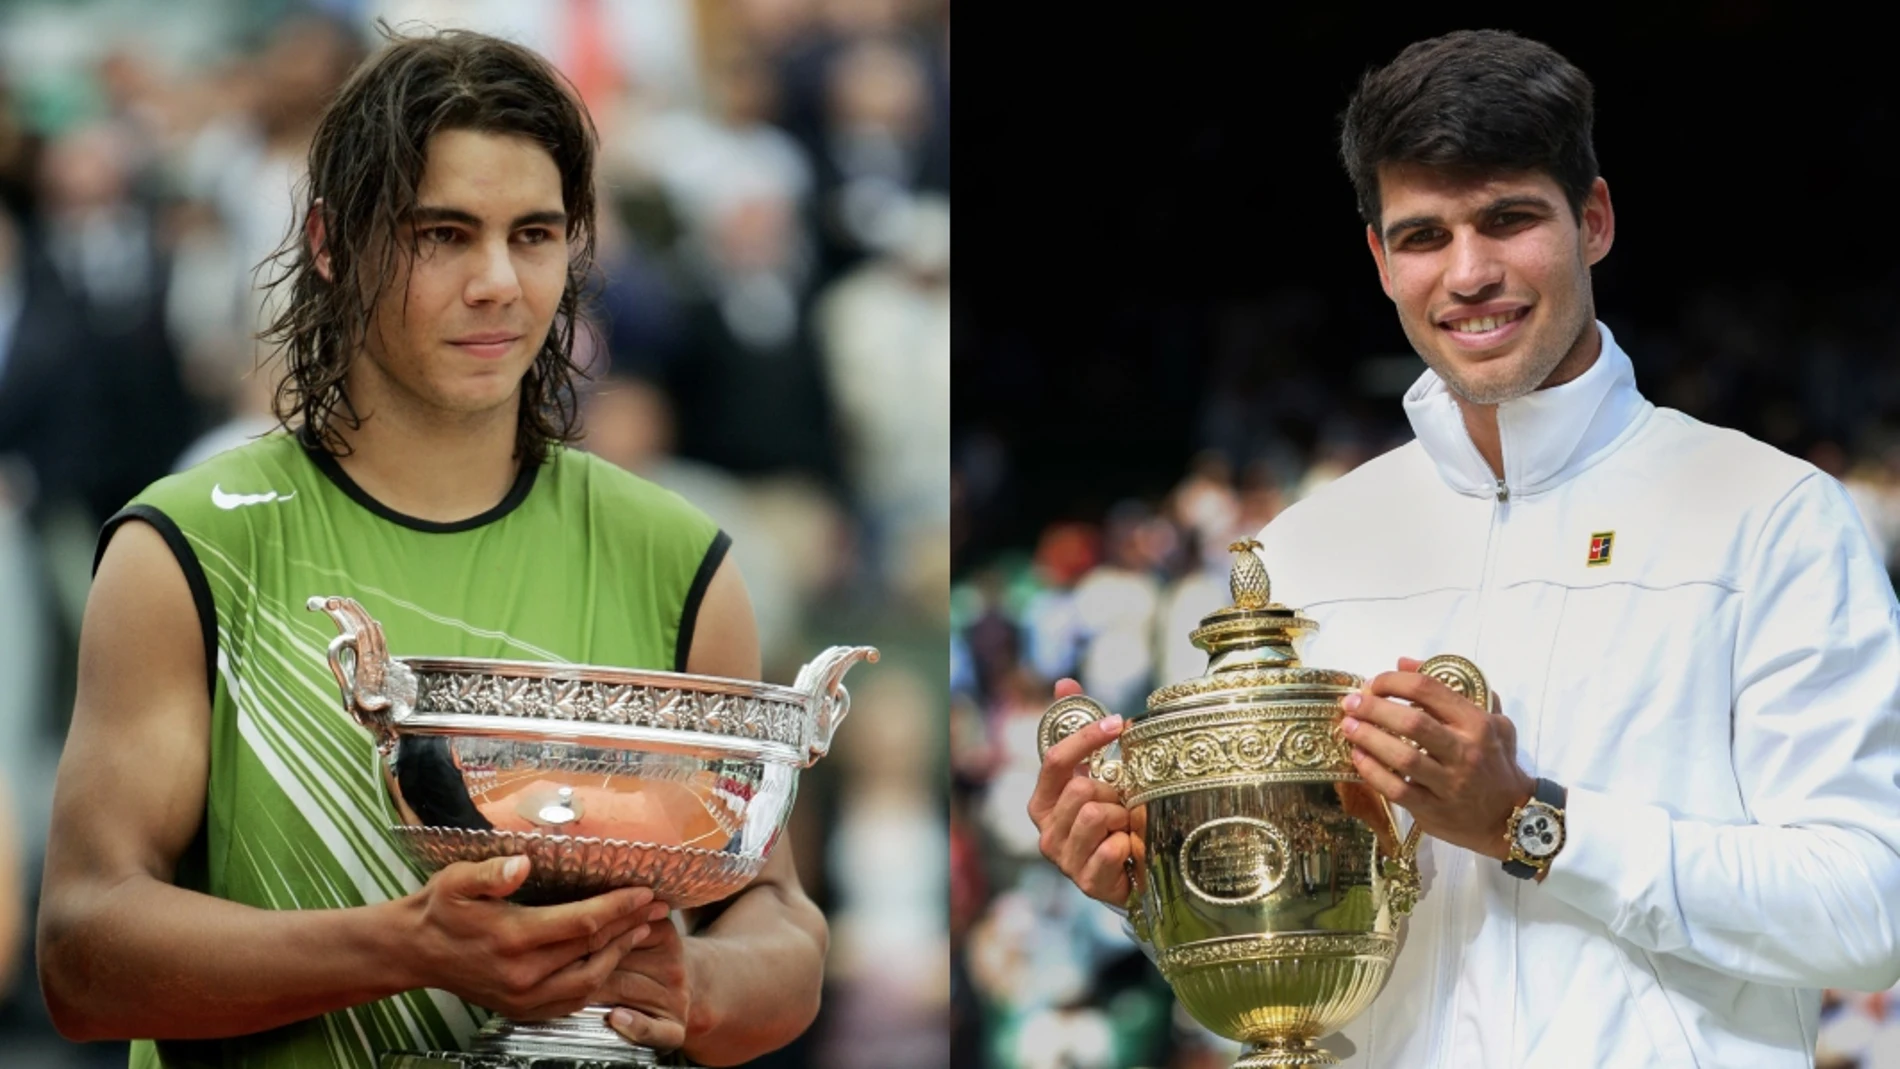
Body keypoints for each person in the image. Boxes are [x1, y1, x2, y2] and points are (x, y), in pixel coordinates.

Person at [1029, 28, 1900, 1068]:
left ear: (1594, 221)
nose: (1470, 273)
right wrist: (1156, 883)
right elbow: (1292, 954)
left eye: (1508, 220)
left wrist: (1534, 823)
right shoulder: (1305, 551)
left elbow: (1867, 908)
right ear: (1378, 260)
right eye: (1423, 236)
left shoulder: (1769, 512)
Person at [36, 29, 827, 1068]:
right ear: (329, 242)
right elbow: (82, 955)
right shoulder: (187, 545)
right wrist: (402, 948)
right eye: (442, 235)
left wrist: (700, 984)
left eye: (534, 235)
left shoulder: (679, 556)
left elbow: (775, 923)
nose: (498, 281)